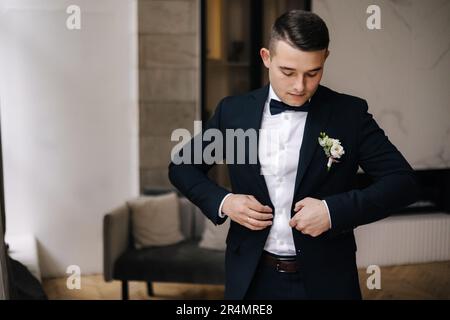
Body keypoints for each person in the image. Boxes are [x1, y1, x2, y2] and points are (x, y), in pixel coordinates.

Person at [168, 10, 419, 300]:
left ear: (325, 58)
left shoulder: (349, 114)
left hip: (328, 277)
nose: (300, 86)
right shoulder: (232, 112)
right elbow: (182, 166)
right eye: (288, 72)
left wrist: (332, 211)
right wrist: (225, 202)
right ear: (266, 58)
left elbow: (403, 182)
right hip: (251, 277)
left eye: (312, 73)